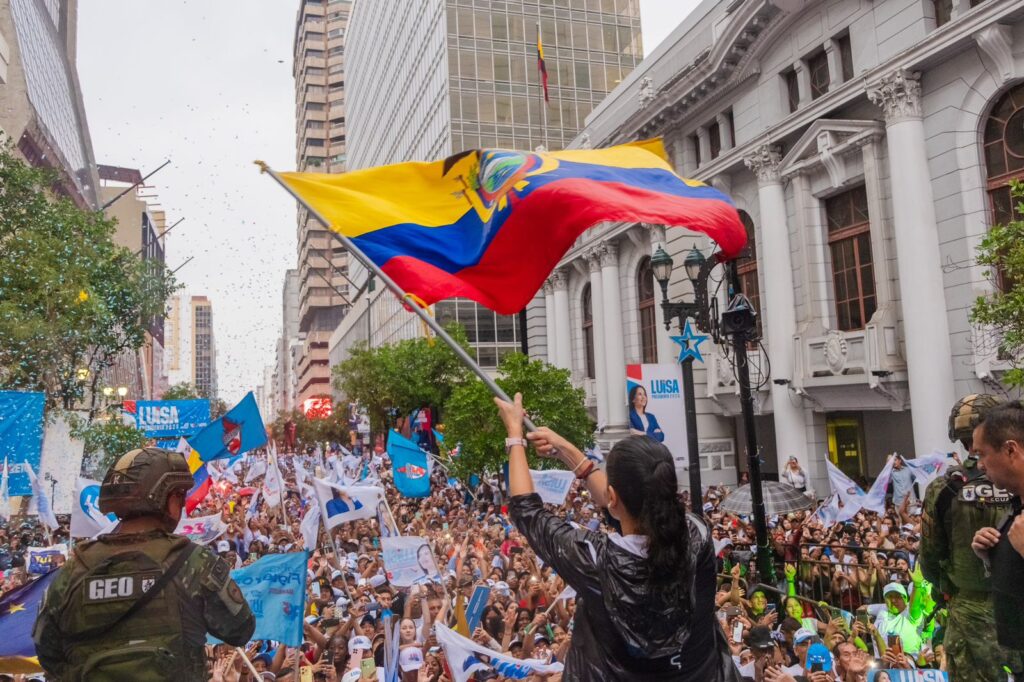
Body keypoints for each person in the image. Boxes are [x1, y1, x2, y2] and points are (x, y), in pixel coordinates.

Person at [495, 392, 739, 680]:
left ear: (612, 497)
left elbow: (527, 511)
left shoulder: (593, 560)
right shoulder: (698, 534)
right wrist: (567, 451)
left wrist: (515, 435)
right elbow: (629, 504)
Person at [32, 447, 254, 681]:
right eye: (179, 496)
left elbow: (47, 653)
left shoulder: (74, 570)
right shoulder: (193, 562)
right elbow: (240, 630)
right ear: (167, 497)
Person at [920, 393, 1017, 681]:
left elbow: (930, 561)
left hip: (968, 617)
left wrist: (948, 590)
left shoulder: (943, 489)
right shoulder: (1016, 482)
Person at [970, 400, 1024, 671]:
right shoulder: (1014, 507)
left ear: (1010, 450)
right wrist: (992, 555)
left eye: (982, 454)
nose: (979, 465)